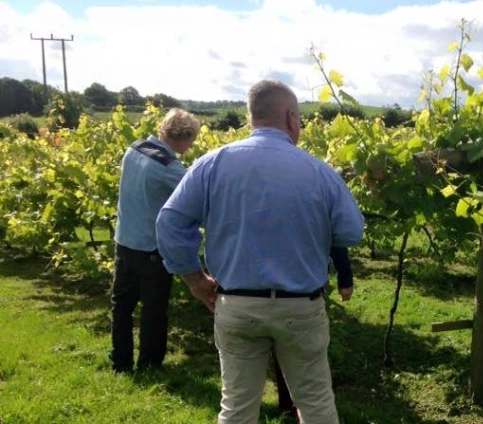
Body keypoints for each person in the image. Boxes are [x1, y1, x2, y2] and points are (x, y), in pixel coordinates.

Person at [156, 79, 364, 424]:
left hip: (236, 303)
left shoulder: (213, 164)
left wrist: (194, 279)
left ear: (251, 117)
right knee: (316, 405)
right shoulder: (319, 171)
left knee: (236, 408)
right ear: (291, 117)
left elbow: (170, 223)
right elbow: (350, 231)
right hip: (301, 307)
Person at [110, 108, 200, 373]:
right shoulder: (169, 167)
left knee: (122, 306)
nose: (190, 146)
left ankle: (120, 363)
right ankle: (149, 365)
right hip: (151, 249)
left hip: (124, 240)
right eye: (191, 140)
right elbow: (196, 194)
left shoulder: (134, 149)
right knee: (154, 310)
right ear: (182, 137)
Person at [274, 247, 353, 418]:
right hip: (300, 292)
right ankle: (289, 403)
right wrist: (345, 277)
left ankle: (291, 404)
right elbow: (340, 234)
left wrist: (345, 277)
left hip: (297, 289)